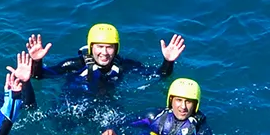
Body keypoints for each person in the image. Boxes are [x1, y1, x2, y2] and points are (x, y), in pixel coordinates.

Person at [25, 25, 185, 94]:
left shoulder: (124, 65)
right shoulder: (75, 65)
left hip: (106, 104)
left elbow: (160, 75)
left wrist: (168, 61)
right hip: (74, 101)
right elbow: (40, 76)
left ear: (116, 49)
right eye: (99, 47)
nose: (104, 52)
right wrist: (37, 62)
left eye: (109, 47)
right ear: (91, 47)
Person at [102, 78, 213, 135]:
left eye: (188, 102)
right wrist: (110, 129)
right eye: (179, 100)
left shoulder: (199, 129)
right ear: (171, 100)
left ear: (195, 105)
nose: (183, 107)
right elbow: (122, 121)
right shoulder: (155, 116)